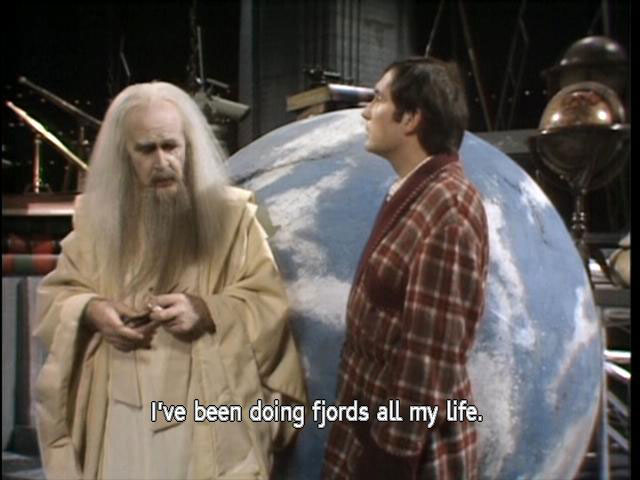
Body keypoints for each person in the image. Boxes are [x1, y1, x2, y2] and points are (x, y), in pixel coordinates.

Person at [34, 81, 307, 480]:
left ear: (188, 148)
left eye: (171, 146)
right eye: (146, 150)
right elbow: (60, 295)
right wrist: (92, 311)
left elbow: (267, 303)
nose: (162, 161)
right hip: (118, 414)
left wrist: (206, 310)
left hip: (206, 411)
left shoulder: (234, 220)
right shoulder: (96, 223)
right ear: (125, 157)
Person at [323, 57, 489, 479]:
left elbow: (427, 359)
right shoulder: (416, 192)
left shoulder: (448, 210)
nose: (366, 112)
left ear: (412, 118)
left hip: (405, 457)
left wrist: (388, 461)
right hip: (369, 432)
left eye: (378, 99)